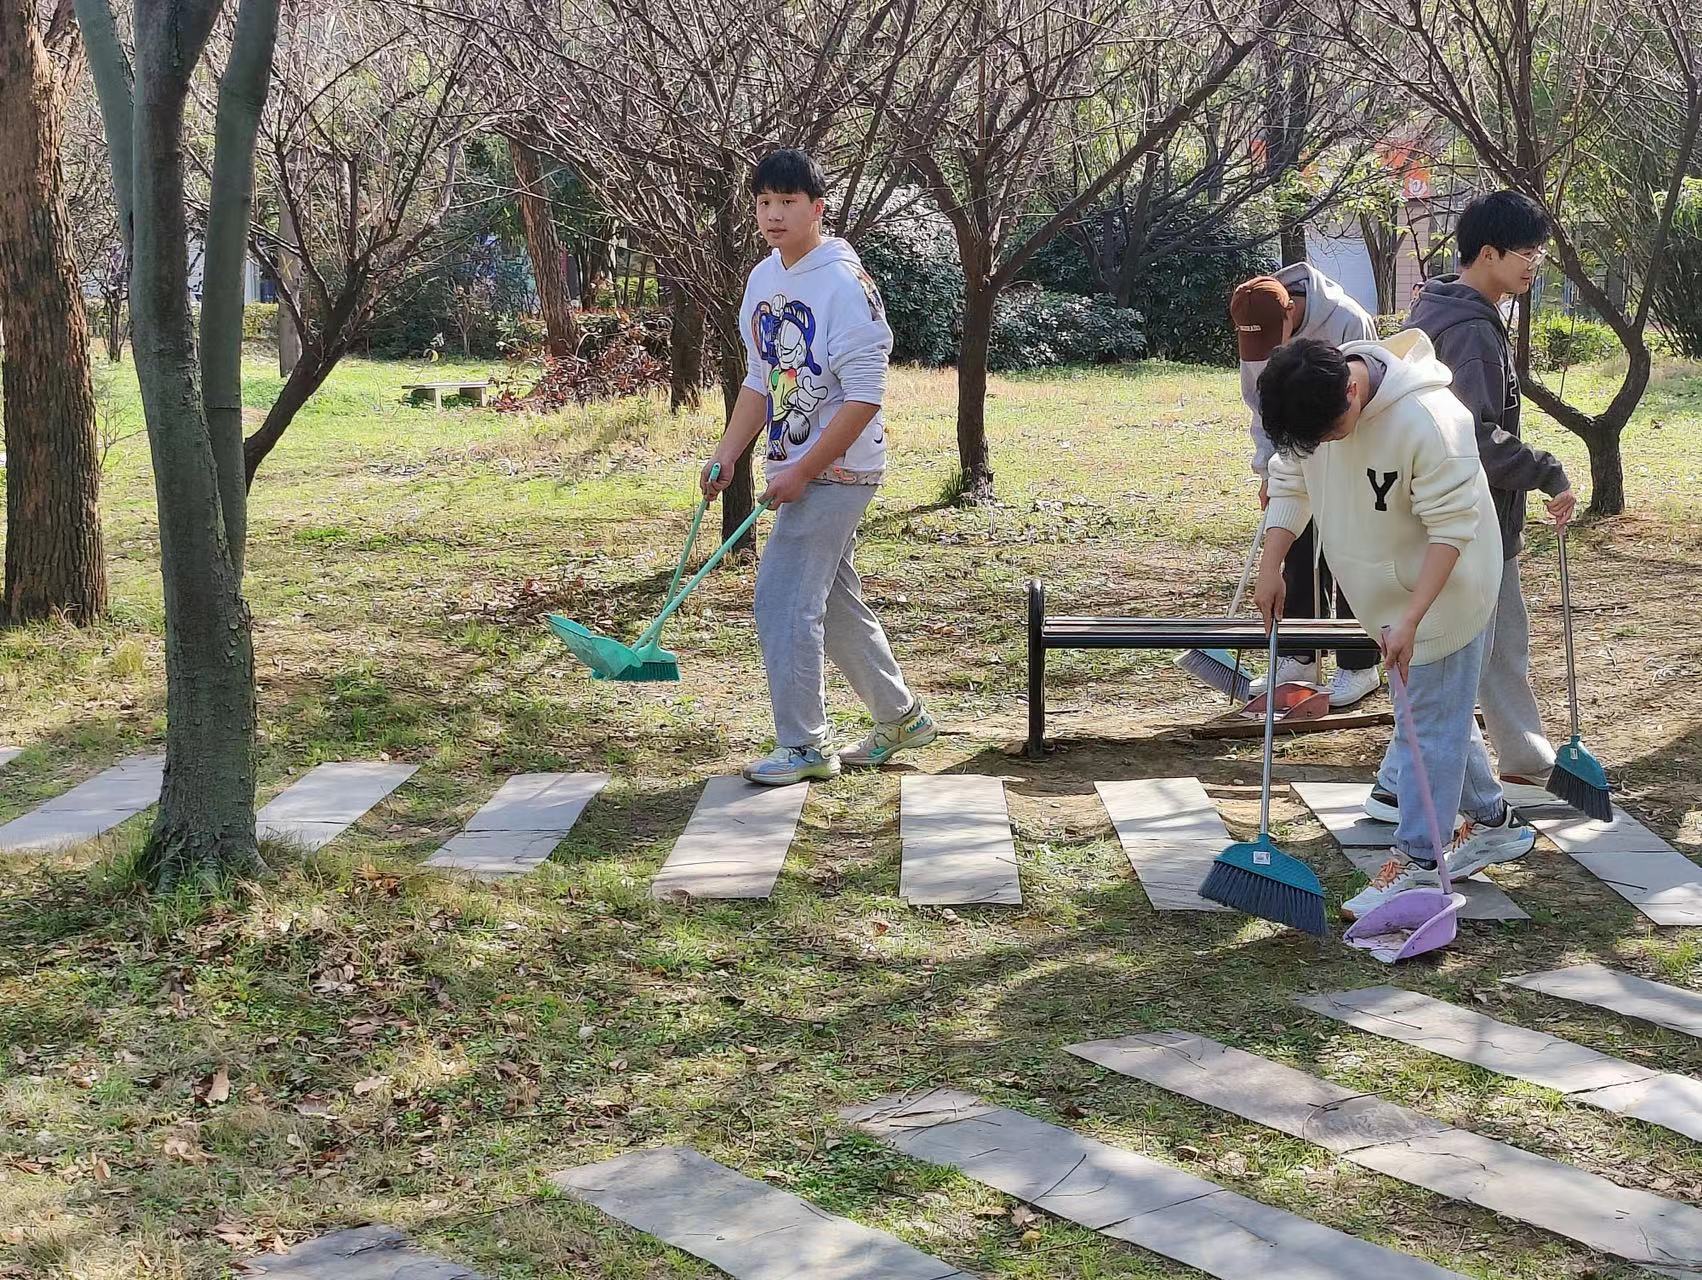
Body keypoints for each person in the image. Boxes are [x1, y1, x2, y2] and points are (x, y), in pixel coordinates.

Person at [1253, 332, 1535, 920]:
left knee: (1426, 723)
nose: (1326, 444)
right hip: (1383, 599)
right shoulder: (1316, 405)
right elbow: (1291, 480)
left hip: (1447, 594)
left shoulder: (1432, 421)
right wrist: (1271, 564)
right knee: (1434, 713)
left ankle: (1418, 862)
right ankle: (1494, 823)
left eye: (1331, 433)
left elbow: (1451, 530)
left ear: (1352, 392)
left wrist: (1412, 617)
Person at [699, 148, 936, 786]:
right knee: (831, 601)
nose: (773, 214)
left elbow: (864, 397)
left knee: (782, 598)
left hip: (840, 469)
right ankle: (901, 717)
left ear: (817, 208)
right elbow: (761, 379)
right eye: (763, 203)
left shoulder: (845, 285)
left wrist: (806, 470)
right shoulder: (763, 279)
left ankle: (805, 745)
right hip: (795, 466)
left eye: (788, 202)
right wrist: (728, 452)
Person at [1405, 191, 1576, 798]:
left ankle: (1522, 755)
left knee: (1486, 645)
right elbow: (1472, 436)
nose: (1535, 264)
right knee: (1474, 652)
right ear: (1488, 254)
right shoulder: (1471, 330)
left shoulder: (1438, 308)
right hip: (1469, 519)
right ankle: (1405, 783)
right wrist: (1547, 470)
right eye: (1527, 253)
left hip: (1448, 515)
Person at [1231, 267, 1383, 708]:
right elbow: (1261, 406)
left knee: (1347, 552)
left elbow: (1367, 397)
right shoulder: (1254, 321)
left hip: (1347, 451)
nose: (1264, 354)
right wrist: (1268, 471)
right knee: (1295, 549)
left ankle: (1359, 664)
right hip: (1294, 454)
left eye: (1272, 341)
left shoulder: (1348, 320)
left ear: (1291, 312)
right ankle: (1299, 657)